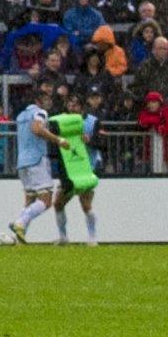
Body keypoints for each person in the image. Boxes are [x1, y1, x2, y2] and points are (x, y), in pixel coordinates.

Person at [2, 95, 66, 245]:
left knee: (30, 200)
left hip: (22, 161)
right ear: (38, 101)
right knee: (46, 199)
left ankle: (19, 238)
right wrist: (58, 140)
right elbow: (36, 129)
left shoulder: (21, 116)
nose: (50, 100)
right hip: (37, 159)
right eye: (46, 98)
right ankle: (19, 223)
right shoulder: (40, 112)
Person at [48, 101, 101, 246]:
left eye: (75, 105)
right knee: (58, 203)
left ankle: (92, 238)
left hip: (86, 168)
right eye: (70, 104)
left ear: (82, 107)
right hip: (69, 171)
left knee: (86, 205)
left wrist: (89, 141)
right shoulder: (62, 123)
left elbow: (101, 144)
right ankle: (63, 237)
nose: (72, 107)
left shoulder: (92, 122)